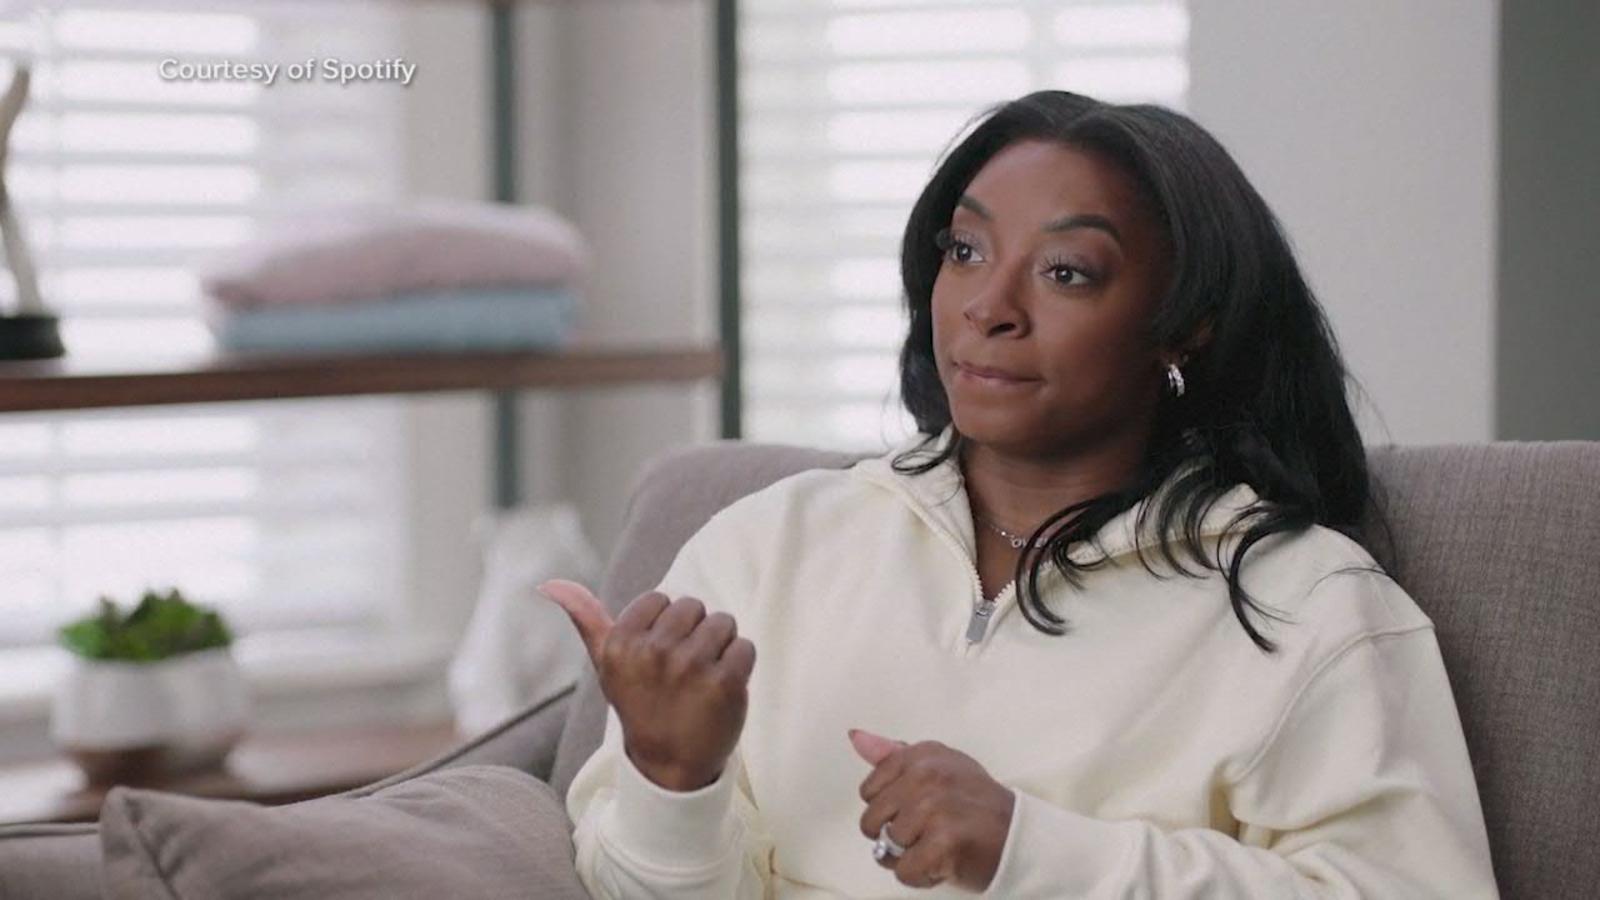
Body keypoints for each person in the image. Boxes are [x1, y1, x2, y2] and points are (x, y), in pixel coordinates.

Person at [541, 90, 1499, 898]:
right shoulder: (766, 546)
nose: (988, 307)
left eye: (1066, 272)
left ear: (1187, 325)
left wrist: (1032, 853)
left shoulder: (1309, 606)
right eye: (965, 252)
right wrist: (674, 781)